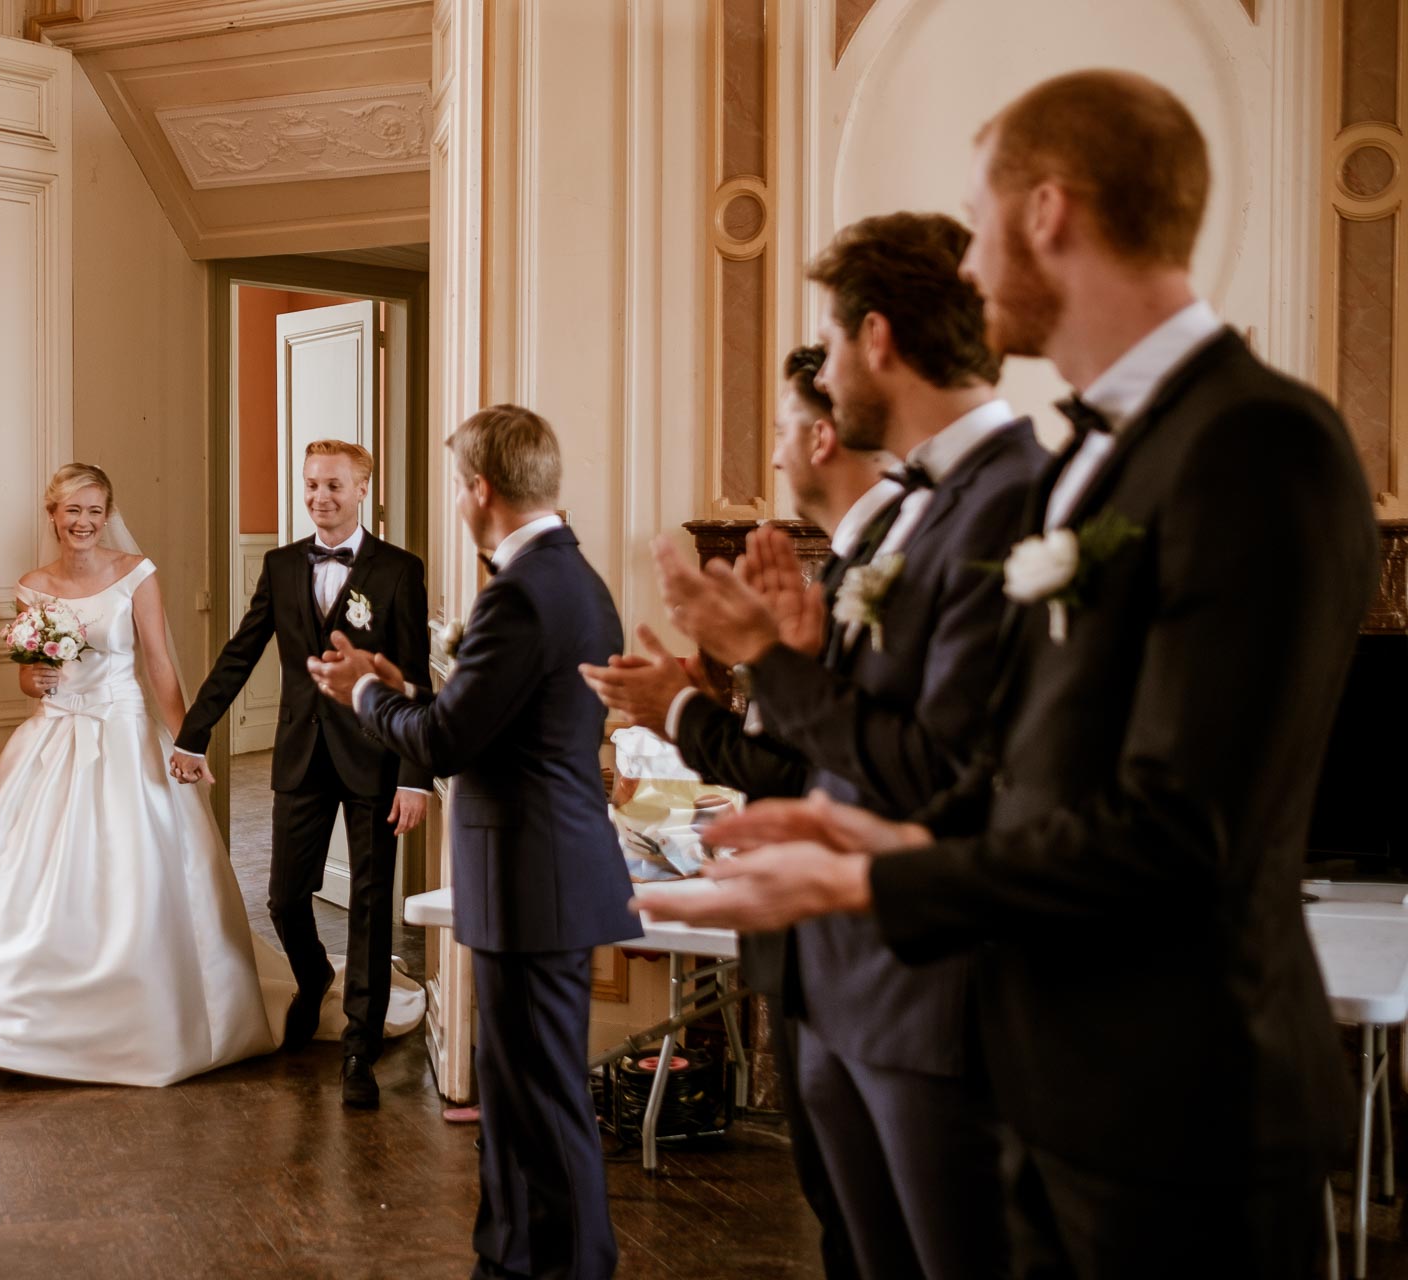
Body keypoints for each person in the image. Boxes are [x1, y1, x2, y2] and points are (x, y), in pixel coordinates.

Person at [643, 70, 1378, 1276]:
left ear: (1049, 212)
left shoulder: (1255, 443)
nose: (970, 273)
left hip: (1179, 1104)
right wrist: (875, 844)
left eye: (980, 229)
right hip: (1051, 1076)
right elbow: (1039, 772)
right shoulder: (1106, 454)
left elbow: (1177, 827)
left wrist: (882, 884)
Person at [597, 213, 1047, 1279]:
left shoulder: (1004, 502)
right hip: (848, 975)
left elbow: (939, 768)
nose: (826, 367)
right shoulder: (932, 507)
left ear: (877, 340)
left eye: (834, 340)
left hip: (926, 979)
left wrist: (763, 666)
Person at [584, 342, 889, 1280]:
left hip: (862, 945)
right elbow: (787, 758)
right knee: (844, 1221)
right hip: (809, 944)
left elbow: (826, 770)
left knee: (876, 1228)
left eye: (785, 432)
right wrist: (686, 705)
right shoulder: (838, 571)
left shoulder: (886, 567)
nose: (776, 459)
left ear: (825, 434)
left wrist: (680, 711)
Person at [311, 405, 634, 1280]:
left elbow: (451, 741)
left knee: (542, 1102)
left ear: (480, 489)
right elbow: (488, 722)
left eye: (459, 486)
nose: (459, 501)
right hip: (541, 872)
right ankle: (512, 1260)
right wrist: (398, 684)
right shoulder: (571, 578)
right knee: (521, 1096)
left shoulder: (526, 593)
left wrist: (363, 698)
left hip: (535, 877)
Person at [0, 463, 286, 1086]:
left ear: (107, 513)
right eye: (72, 512)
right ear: (53, 516)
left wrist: (188, 744)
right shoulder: (33, 587)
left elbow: (160, 666)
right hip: (53, 738)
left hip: (122, 735)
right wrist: (28, 678)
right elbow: (31, 671)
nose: (84, 523)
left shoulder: (135, 575)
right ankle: (19, 1025)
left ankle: (146, 1021)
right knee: (31, 878)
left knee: (130, 873)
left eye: (94, 511)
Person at [169, 439, 431, 1109]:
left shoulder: (399, 570)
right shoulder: (282, 565)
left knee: (371, 907)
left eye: (335, 486)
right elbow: (242, 651)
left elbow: (417, 678)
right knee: (286, 897)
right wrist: (194, 734)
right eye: (312, 484)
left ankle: (358, 1050)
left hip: (375, 755)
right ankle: (314, 980)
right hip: (300, 754)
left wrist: (413, 776)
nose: (320, 497)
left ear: (362, 489)